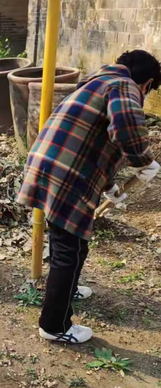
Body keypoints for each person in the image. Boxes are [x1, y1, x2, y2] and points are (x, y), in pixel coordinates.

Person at [17, 50, 161, 344]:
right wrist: (144, 160)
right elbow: (125, 128)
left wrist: (108, 185)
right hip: (67, 174)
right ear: (146, 83)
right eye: (149, 89)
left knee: (73, 242)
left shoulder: (95, 81)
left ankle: (68, 290)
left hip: (52, 165)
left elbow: (95, 140)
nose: (144, 94)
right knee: (68, 247)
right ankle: (54, 325)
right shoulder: (124, 86)